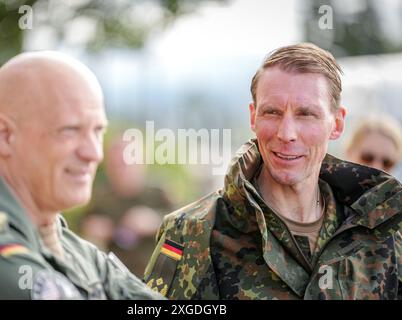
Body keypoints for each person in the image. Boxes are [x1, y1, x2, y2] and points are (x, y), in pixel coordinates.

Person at [144, 43, 402, 300]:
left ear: (336, 124)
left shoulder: (384, 234)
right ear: (253, 117)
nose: (286, 133)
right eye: (272, 112)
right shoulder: (192, 233)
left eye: (306, 114)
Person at [0, 51, 163, 300]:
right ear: (5, 135)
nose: (94, 153)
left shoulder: (68, 246)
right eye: (70, 130)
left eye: (97, 131)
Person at [80, 138, 174, 276]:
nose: (120, 170)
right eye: (115, 164)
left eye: (126, 163)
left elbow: (185, 226)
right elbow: (84, 223)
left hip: (154, 278)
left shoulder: (158, 194)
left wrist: (156, 221)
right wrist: (93, 228)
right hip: (116, 277)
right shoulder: (101, 197)